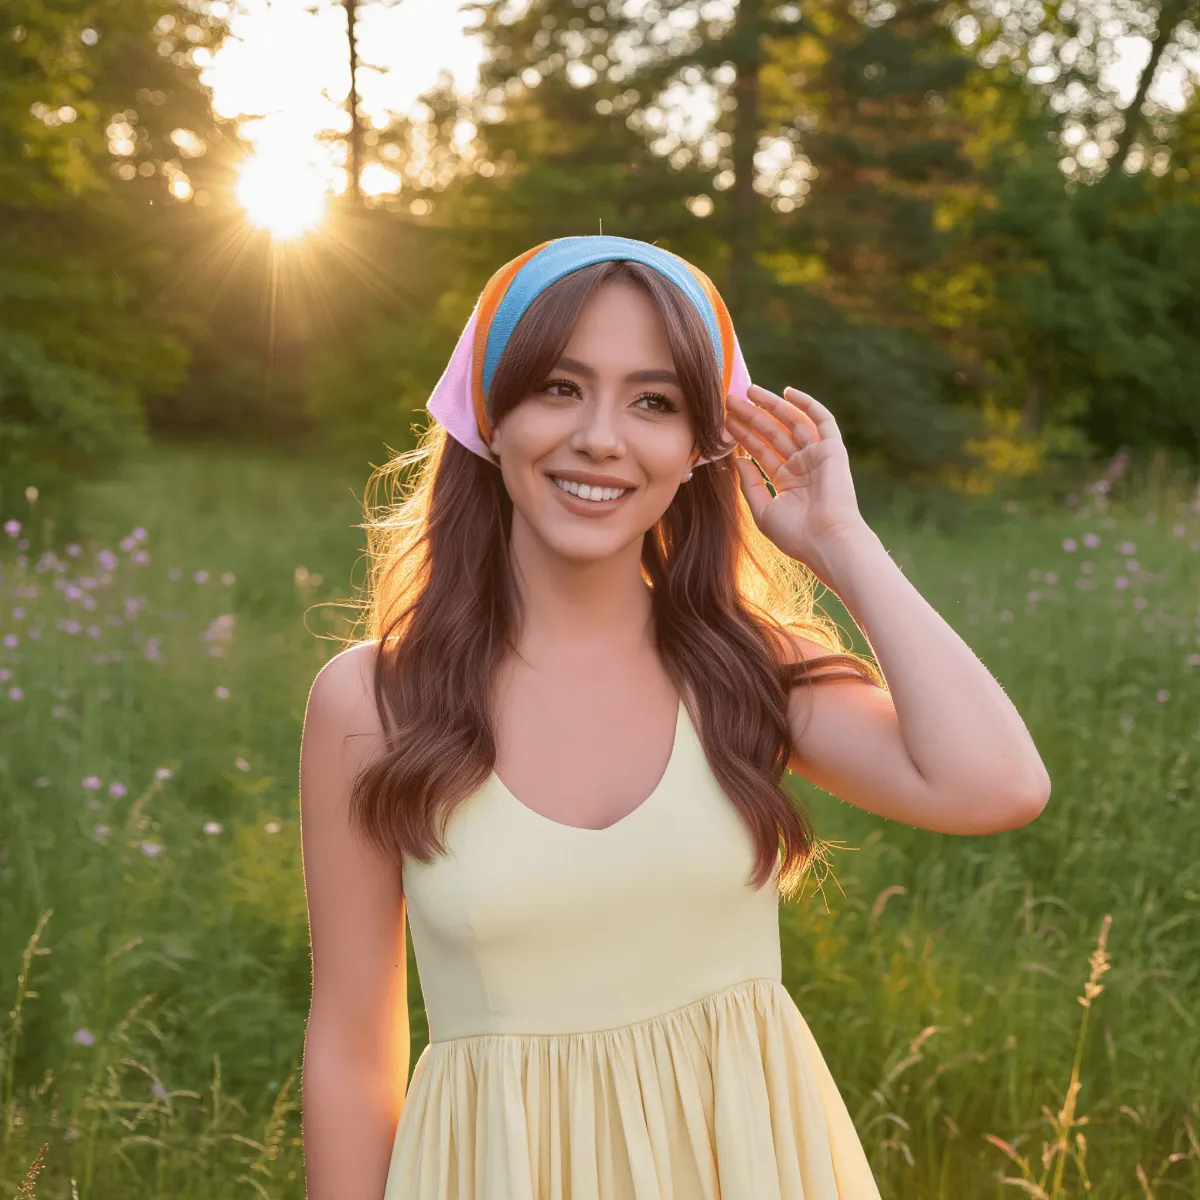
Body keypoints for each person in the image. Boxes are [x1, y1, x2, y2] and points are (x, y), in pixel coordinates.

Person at [298, 235, 1051, 1199]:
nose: (602, 438)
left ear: (702, 446)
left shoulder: (740, 669)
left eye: (654, 402)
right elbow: (354, 1051)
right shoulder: (373, 703)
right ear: (492, 414)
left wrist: (842, 543)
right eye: (560, 388)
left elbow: (998, 785)